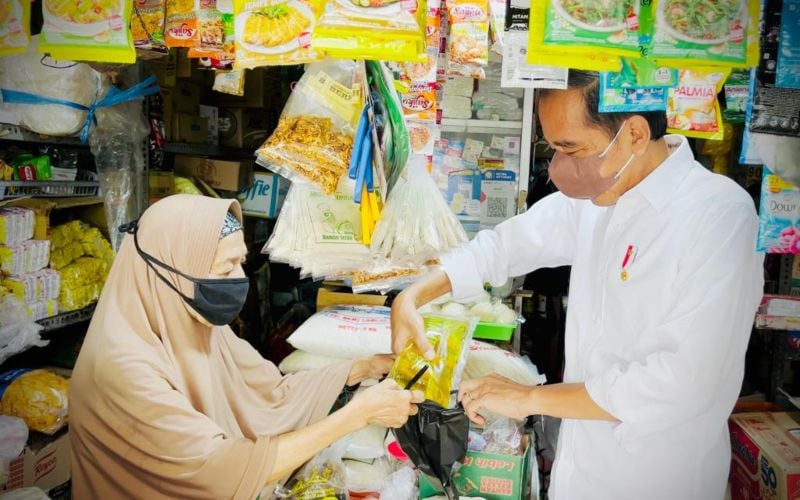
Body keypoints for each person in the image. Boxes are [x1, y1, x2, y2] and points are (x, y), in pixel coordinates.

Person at [391, 71, 764, 499]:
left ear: (635, 134)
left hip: (658, 476)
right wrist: (413, 296)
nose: (560, 167)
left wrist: (532, 398)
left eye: (573, 148)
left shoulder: (718, 214)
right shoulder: (598, 199)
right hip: (581, 469)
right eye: (553, 148)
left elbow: (684, 381)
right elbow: (505, 246)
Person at [69, 195, 423, 500]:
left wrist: (361, 368)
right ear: (170, 273)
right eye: (225, 270)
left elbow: (271, 394)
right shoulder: (122, 369)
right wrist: (356, 415)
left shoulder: (197, 324)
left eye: (241, 263)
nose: (239, 280)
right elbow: (216, 472)